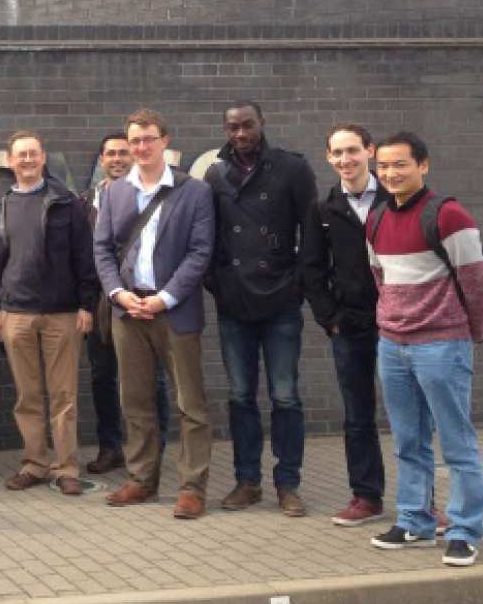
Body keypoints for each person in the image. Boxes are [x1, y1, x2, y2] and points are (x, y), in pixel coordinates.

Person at [366, 132, 483, 567]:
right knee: (407, 441)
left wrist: (464, 335)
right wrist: (392, 325)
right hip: (392, 346)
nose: (390, 173)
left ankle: (464, 529)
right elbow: (380, 278)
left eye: (400, 164)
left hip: (442, 344)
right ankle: (415, 520)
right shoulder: (378, 218)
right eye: (383, 166)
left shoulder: (450, 215)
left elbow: (478, 286)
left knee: (456, 443)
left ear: (423, 165)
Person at [93, 110, 215, 519]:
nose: (141, 148)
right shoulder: (114, 193)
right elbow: (103, 249)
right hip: (128, 312)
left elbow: (200, 252)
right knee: (135, 399)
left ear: (165, 141)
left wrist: (166, 298)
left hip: (173, 312)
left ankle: (192, 487)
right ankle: (142, 479)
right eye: (135, 142)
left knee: (190, 403)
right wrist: (117, 294)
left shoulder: (193, 191)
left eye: (148, 139)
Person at [204, 101, 318, 517]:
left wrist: (299, 285)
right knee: (240, 396)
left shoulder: (292, 168)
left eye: (247, 125)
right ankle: (246, 480)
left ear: (262, 124)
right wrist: (216, 283)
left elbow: (311, 231)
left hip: (280, 299)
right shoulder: (215, 173)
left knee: (285, 396)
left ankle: (288, 483)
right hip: (235, 302)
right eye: (232, 127)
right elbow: (209, 236)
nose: (239, 134)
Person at [0, 130, 99, 495]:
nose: (28, 160)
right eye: (21, 155)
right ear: (10, 161)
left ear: (43, 157)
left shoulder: (66, 204)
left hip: (62, 314)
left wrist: (86, 303)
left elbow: (85, 256)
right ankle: (34, 464)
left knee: (63, 396)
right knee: (27, 396)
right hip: (15, 314)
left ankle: (66, 469)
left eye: (33, 153)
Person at [301, 124, 390, 527]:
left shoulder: (396, 199)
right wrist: (330, 319)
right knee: (357, 415)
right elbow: (312, 269)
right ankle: (366, 497)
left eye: (352, 150)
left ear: (369, 151)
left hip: (401, 323)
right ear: (328, 158)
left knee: (413, 414)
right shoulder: (323, 209)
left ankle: (423, 501)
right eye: (337, 153)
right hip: (350, 326)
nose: (345, 160)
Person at [79, 132, 170, 474]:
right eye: (110, 154)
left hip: (143, 300)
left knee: (151, 378)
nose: (117, 158)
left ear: (133, 156)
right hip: (102, 302)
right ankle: (110, 447)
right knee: (103, 376)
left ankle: (153, 449)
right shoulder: (84, 201)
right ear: (101, 160)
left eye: (123, 152)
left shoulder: (151, 196)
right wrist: (84, 305)